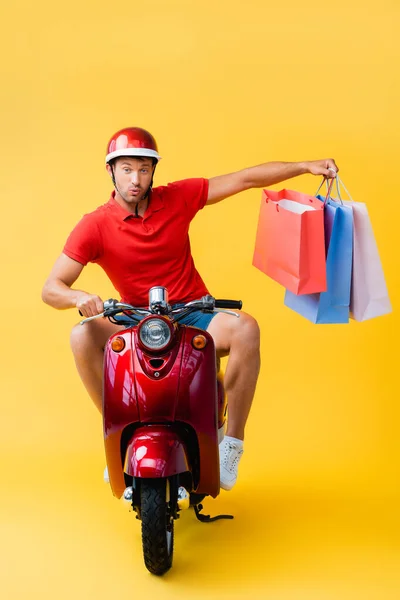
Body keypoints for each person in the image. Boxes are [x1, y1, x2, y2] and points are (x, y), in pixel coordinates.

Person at [41, 126, 338, 491]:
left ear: (153, 172)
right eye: (127, 169)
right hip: (135, 320)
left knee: (246, 327)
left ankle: (231, 443)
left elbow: (244, 179)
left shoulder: (177, 197)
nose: (136, 180)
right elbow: (51, 288)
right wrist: (78, 298)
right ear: (111, 171)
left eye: (144, 170)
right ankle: (116, 435)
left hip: (191, 314)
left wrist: (306, 166)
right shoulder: (95, 225)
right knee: (81, 335)